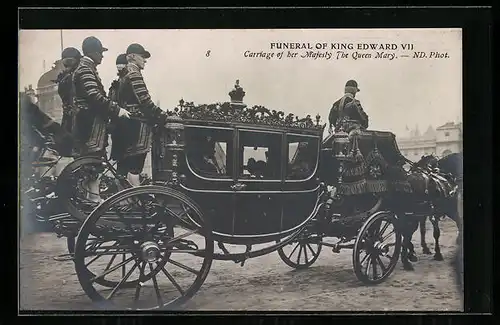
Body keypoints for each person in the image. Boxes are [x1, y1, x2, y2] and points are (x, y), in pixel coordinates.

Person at [72, 36, 130, 201]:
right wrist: (116, 110)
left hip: (90, 121)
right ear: (92, 52)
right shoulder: (85, 69)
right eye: (100, 52)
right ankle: (93, 199)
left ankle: (92, 198)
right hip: (89, 122)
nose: (102, 56)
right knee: (92, 160)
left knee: (93, 162)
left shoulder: (86, 68)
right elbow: (94, 96)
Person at [112, 43, 166, 187]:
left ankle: (124, 202)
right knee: (135, 168)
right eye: (142, 57)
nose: (145, 60)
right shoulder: (134, 72)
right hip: (137, 126)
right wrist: (161, 115)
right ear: (133, 57)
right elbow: (144, 100)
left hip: (125, 125)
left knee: (123, 169)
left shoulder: (123, 75)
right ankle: (136, 201)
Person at [54, 47, 82, 157]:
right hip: (77, 117)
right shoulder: (73, 77)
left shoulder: (63, 78)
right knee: (79, 149)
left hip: (68, 117)